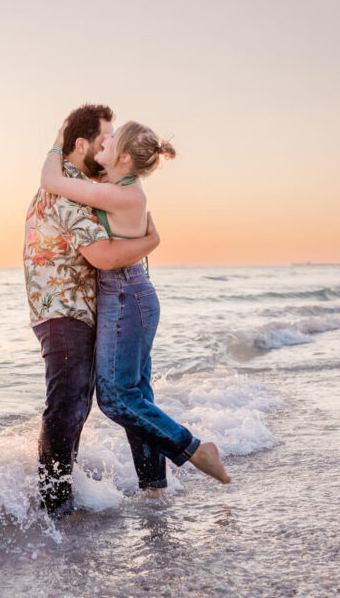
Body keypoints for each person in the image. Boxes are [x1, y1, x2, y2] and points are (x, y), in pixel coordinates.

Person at [40, 120, 231, 492]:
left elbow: (52, 181)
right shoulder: (114, 188)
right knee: (138, 395)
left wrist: (57, 141)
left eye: (111, 139)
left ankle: (194, 449)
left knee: (114, 398)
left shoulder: (125, 195)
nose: (104, 140)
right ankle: (154, 486)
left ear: (124, 157)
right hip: (130, 296)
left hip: (127, 296)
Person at [23, 104, 161, 517]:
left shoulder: (83, 184)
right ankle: (55, 507)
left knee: (91, 400)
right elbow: (102, 255)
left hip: (90, 307)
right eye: (102, 139)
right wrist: (151, 243)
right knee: (68, 403)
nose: (108, 145)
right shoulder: (61, 190)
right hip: (64, 310)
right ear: (80, 144)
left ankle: (144, 488)